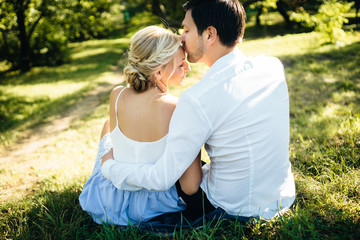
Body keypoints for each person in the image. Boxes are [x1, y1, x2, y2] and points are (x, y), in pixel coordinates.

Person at [101, 0, 296, 223]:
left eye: (186, 29)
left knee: (186, 171)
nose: (181, 37)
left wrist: (109, 167)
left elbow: (162, 178)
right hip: (281, 194)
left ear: (209, 34)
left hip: (233, 205)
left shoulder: (196, 99)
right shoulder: (272, 67)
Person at [78, 26, 199, 226]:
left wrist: (108, 160)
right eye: (181, 64)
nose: (188, 67)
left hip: (111, 201)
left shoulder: (116, 95)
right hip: (158, 203)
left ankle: (111, 163)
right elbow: (191, 186)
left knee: (108, 127)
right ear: (159, 72)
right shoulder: (178, 108)